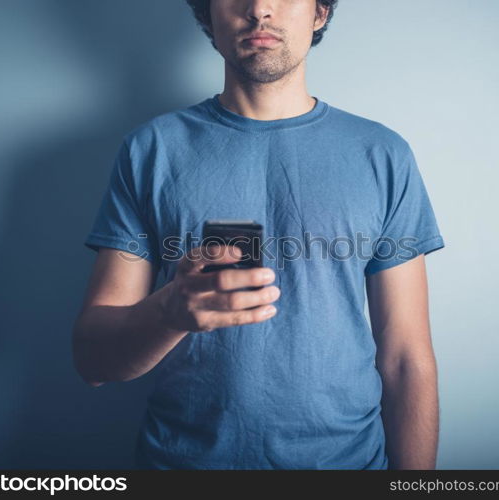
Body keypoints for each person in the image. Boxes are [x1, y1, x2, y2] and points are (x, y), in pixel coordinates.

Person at [72, 0, 445, 470]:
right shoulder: (151, 150)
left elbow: (406, 357)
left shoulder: (383, 155)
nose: (260, 9)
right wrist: (169, 311)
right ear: (208, 14)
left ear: (320, 12)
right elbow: (93, 361)